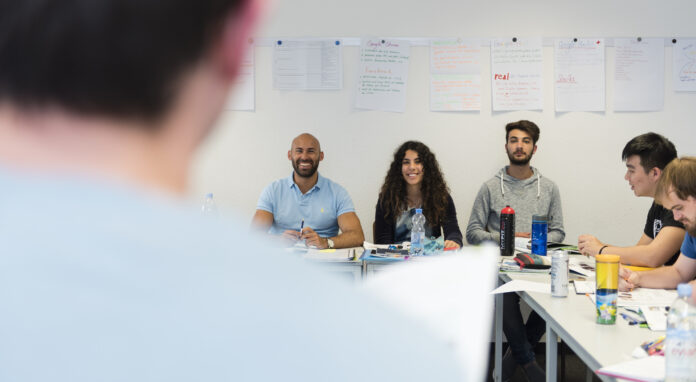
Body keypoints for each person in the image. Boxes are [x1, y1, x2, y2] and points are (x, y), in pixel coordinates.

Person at [0, 1, 463, 380]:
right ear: (238, 41)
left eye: (311, 151)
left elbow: (354, 235)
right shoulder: (396, 359)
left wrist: (321, 241)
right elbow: (258, 230)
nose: (305, 156)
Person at [466, 120, 565, 382]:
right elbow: (472, 232)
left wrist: (534, 238)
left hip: (538, 261)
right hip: (502, 265)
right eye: (514, 140)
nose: (519, 146)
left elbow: (559, 232)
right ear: (506, 145)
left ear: (535, 148)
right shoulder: (489, 187)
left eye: (525, 141)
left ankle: (512, 362)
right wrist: (506, 238)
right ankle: (530, 365)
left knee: (558, 293)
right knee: (503, 293)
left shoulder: (550, 188)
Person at [578, 133, 684, 267]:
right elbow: (639, 253)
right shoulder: (658, 202)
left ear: (655, 173)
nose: (626, 177)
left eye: (631, 171)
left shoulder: (681, 206)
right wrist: (597, 246)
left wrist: (600, 250)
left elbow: (652, 257)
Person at [251, 133, 364, 249]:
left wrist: (326, 242)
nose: (304, 157)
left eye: (311, 151)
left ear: (321, 156)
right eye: (299, 151)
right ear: (290, 155)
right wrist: (278, 240)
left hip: (324, 263)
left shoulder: (337, 193)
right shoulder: (273, 191)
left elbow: (357, 236)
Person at [621, 157, 696, 303]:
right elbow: (679, 273)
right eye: (672, 210)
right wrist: (637, 277)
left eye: (679, 208)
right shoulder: (693, 228)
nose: (676, 217)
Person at [374, 141, 463, 249]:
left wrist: (453, 240)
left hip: (429, 261)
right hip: (396, 261)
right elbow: (382, 242)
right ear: (399, 168)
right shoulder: (387, 199)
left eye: (418, 162)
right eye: (406, 162)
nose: (412, 167)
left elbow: (453, 230)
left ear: (427, 167)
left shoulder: (441, 197)